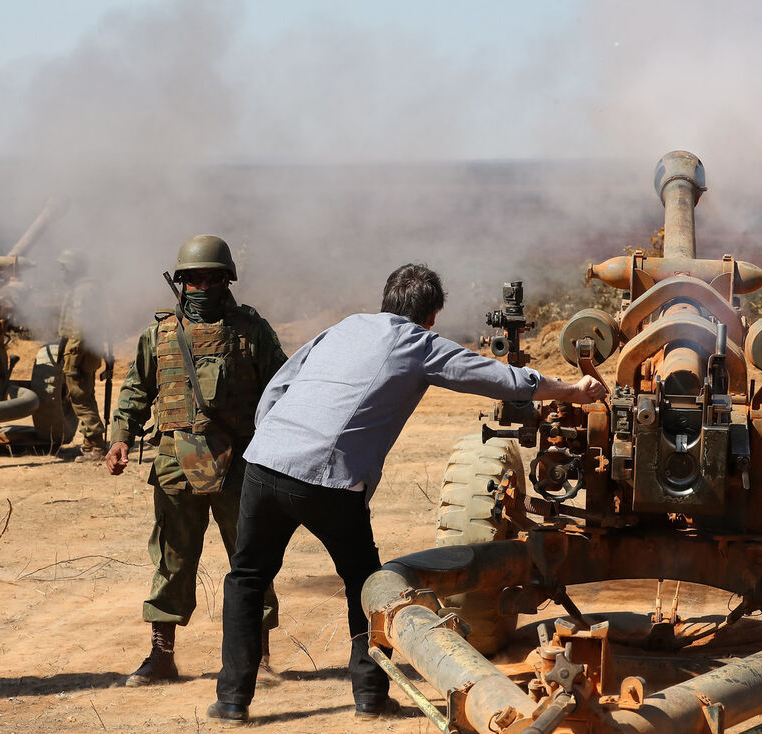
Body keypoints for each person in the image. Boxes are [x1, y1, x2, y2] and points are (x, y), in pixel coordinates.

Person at [208, 263, 608, 725]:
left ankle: (233, 701)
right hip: (330, 478)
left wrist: (277, 443)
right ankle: (370, 698)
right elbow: (492, 377)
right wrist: (571, 390)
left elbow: (277, 387)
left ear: (386, 299)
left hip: (266, 461)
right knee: (367, 586)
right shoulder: (418, 342)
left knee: (247, 578)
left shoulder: (343, 327)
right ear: (431, 317)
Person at [106, 235, 285, 687]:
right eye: (194, 279)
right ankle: (161, 657)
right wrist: (120, 437)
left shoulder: (252, 332)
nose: (202, 287)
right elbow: (134, 391)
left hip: (241, 462)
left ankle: (257, 658)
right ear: (180, 283)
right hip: (174, 463)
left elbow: (283, 387)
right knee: (172, 559)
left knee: (249, 559)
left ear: (227, 281)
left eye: (211, 278)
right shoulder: (160, 336)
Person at [57, 249, 108, 462]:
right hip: (87, 351)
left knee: (79, 397)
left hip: (79, 352)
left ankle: (95, 446)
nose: (62, 273)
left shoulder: (82, 291)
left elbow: (79, 328)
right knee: (85, 395)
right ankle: (90, 443)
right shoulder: (88, 287)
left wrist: (73, 361)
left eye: (64, 268)